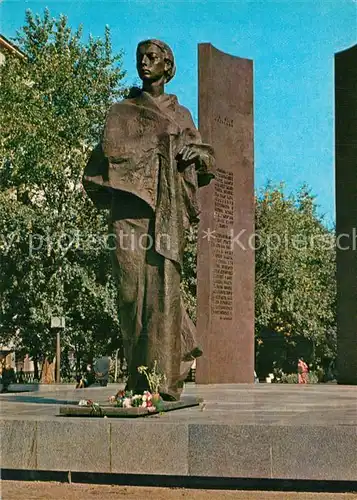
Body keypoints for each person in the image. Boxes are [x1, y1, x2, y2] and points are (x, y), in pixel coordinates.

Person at [83, 39, 215, 400]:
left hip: (166, 214)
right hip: (127, 214)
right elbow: (101, 162)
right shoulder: (123, 111)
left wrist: (194, 153)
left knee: (163, 294)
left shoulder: (181, 115)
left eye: (152, 57)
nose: (144, 62)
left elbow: (207, 163)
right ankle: (137, 379)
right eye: (140, 56)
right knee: (129, 294)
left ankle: (161, 381)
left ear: (167, 67)